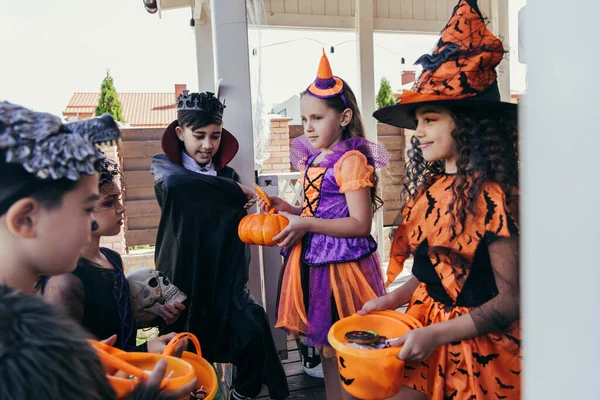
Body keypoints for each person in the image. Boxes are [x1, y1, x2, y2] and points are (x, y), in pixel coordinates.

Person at [361, 1, 521, 399]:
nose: (417, 132)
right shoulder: (431, 190)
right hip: (424, 326)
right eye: (417, 122)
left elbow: (509, 301)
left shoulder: (497, 197)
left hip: (478, 350)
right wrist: (392, 298)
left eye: (430, 119)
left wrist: (438, 333)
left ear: (466, 123)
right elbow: (433, 268)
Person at [0, 101, 194, 399]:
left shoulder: (26, 329)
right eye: (86, 208)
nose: (91, 222)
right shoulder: (15, 353)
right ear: (26, 219)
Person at [258, 51, 389, 399]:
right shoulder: (314, 158)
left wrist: (305, 223)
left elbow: (360, 224)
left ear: (344, 116)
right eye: (304, 119)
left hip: (344, 269)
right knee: (329, 350)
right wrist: (288, 208)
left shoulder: (351, 160)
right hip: (315, 265)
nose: (308, 127)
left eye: (317, 117)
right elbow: (319, 209)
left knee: (351, 350)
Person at [152, 91, 289, 400]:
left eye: (214, 136)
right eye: (198, 136)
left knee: (253, 332)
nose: (207, 145)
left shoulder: (226, 174)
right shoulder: (164, 170)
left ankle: (241, 394)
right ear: (180, 133)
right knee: (185, 352)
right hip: (184, 277)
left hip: (225, 278)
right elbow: (181, 187)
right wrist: (232, 190)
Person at [40, 157, 185, 353]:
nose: (121, 208)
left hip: (130, 376)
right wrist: (144, 352)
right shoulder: (64, 283)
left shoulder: (111, 259)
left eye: (119, 199)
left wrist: (158, 314)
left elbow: (114, 328)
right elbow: (69, 363)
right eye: (109, 202)